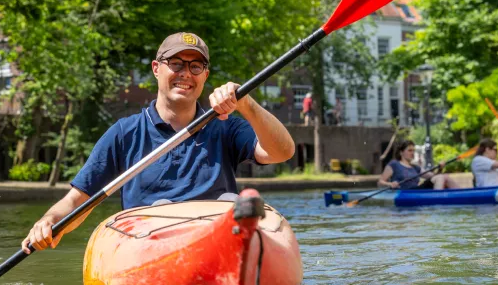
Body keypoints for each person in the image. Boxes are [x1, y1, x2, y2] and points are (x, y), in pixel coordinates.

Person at [21, 32, 295, 253]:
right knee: (161, 207)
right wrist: (49, 222)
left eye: (195, 66)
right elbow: (77, 201)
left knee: (230, 201)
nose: (186, 73)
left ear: (205, 76)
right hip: (150, 244)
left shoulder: (226, 126)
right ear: (156, 68)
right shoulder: (123, 134)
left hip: (222, 239)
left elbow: (282, 152)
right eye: (176, 63)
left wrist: (246, 103)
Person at [378, 139, 461, 190]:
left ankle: (462, 193)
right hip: (405, 192)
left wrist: (440, 168)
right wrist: (390, 184)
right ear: (401, 152)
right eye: (410, 150)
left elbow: (434, 176)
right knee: (441, 177)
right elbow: (380, 182)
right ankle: (438, 201)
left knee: (444, 176)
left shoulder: (415, 167)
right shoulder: (394, 164)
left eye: (413, 150)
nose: (413, 153)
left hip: (416, 190)